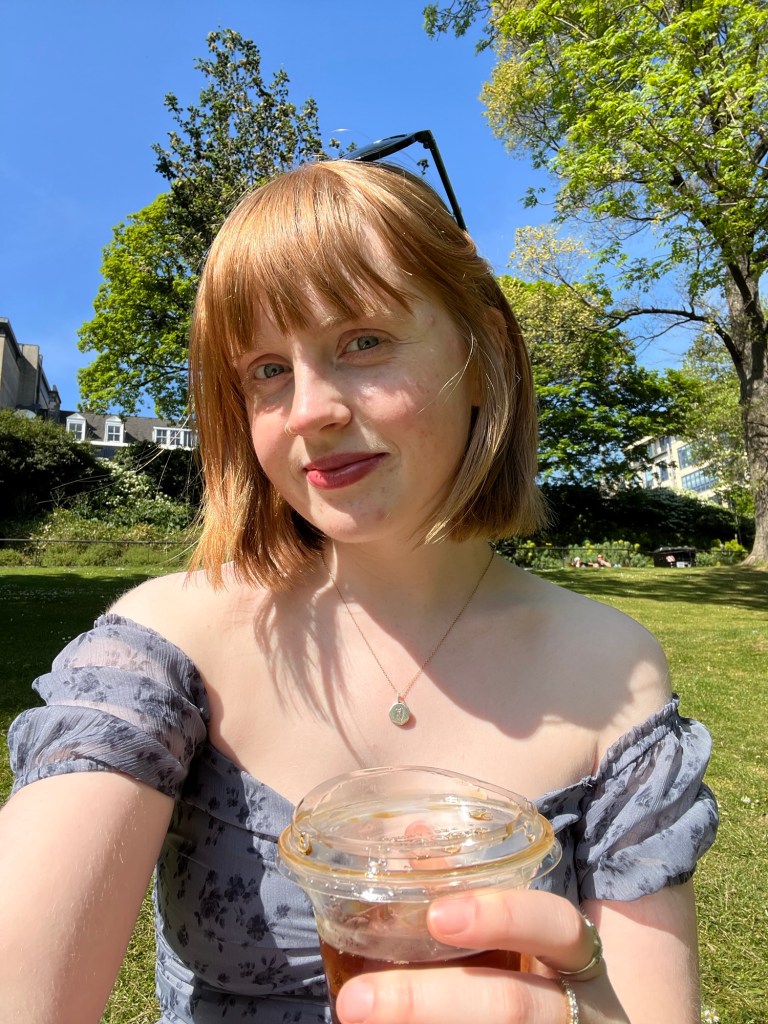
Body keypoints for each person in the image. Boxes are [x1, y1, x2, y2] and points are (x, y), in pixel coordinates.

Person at [0, 156, 717, 1024]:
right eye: (266, 369)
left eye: (363, 341)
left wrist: (583, 1012)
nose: (309, 409)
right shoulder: (164, 646)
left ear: (483, 355)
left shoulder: (611, 671)